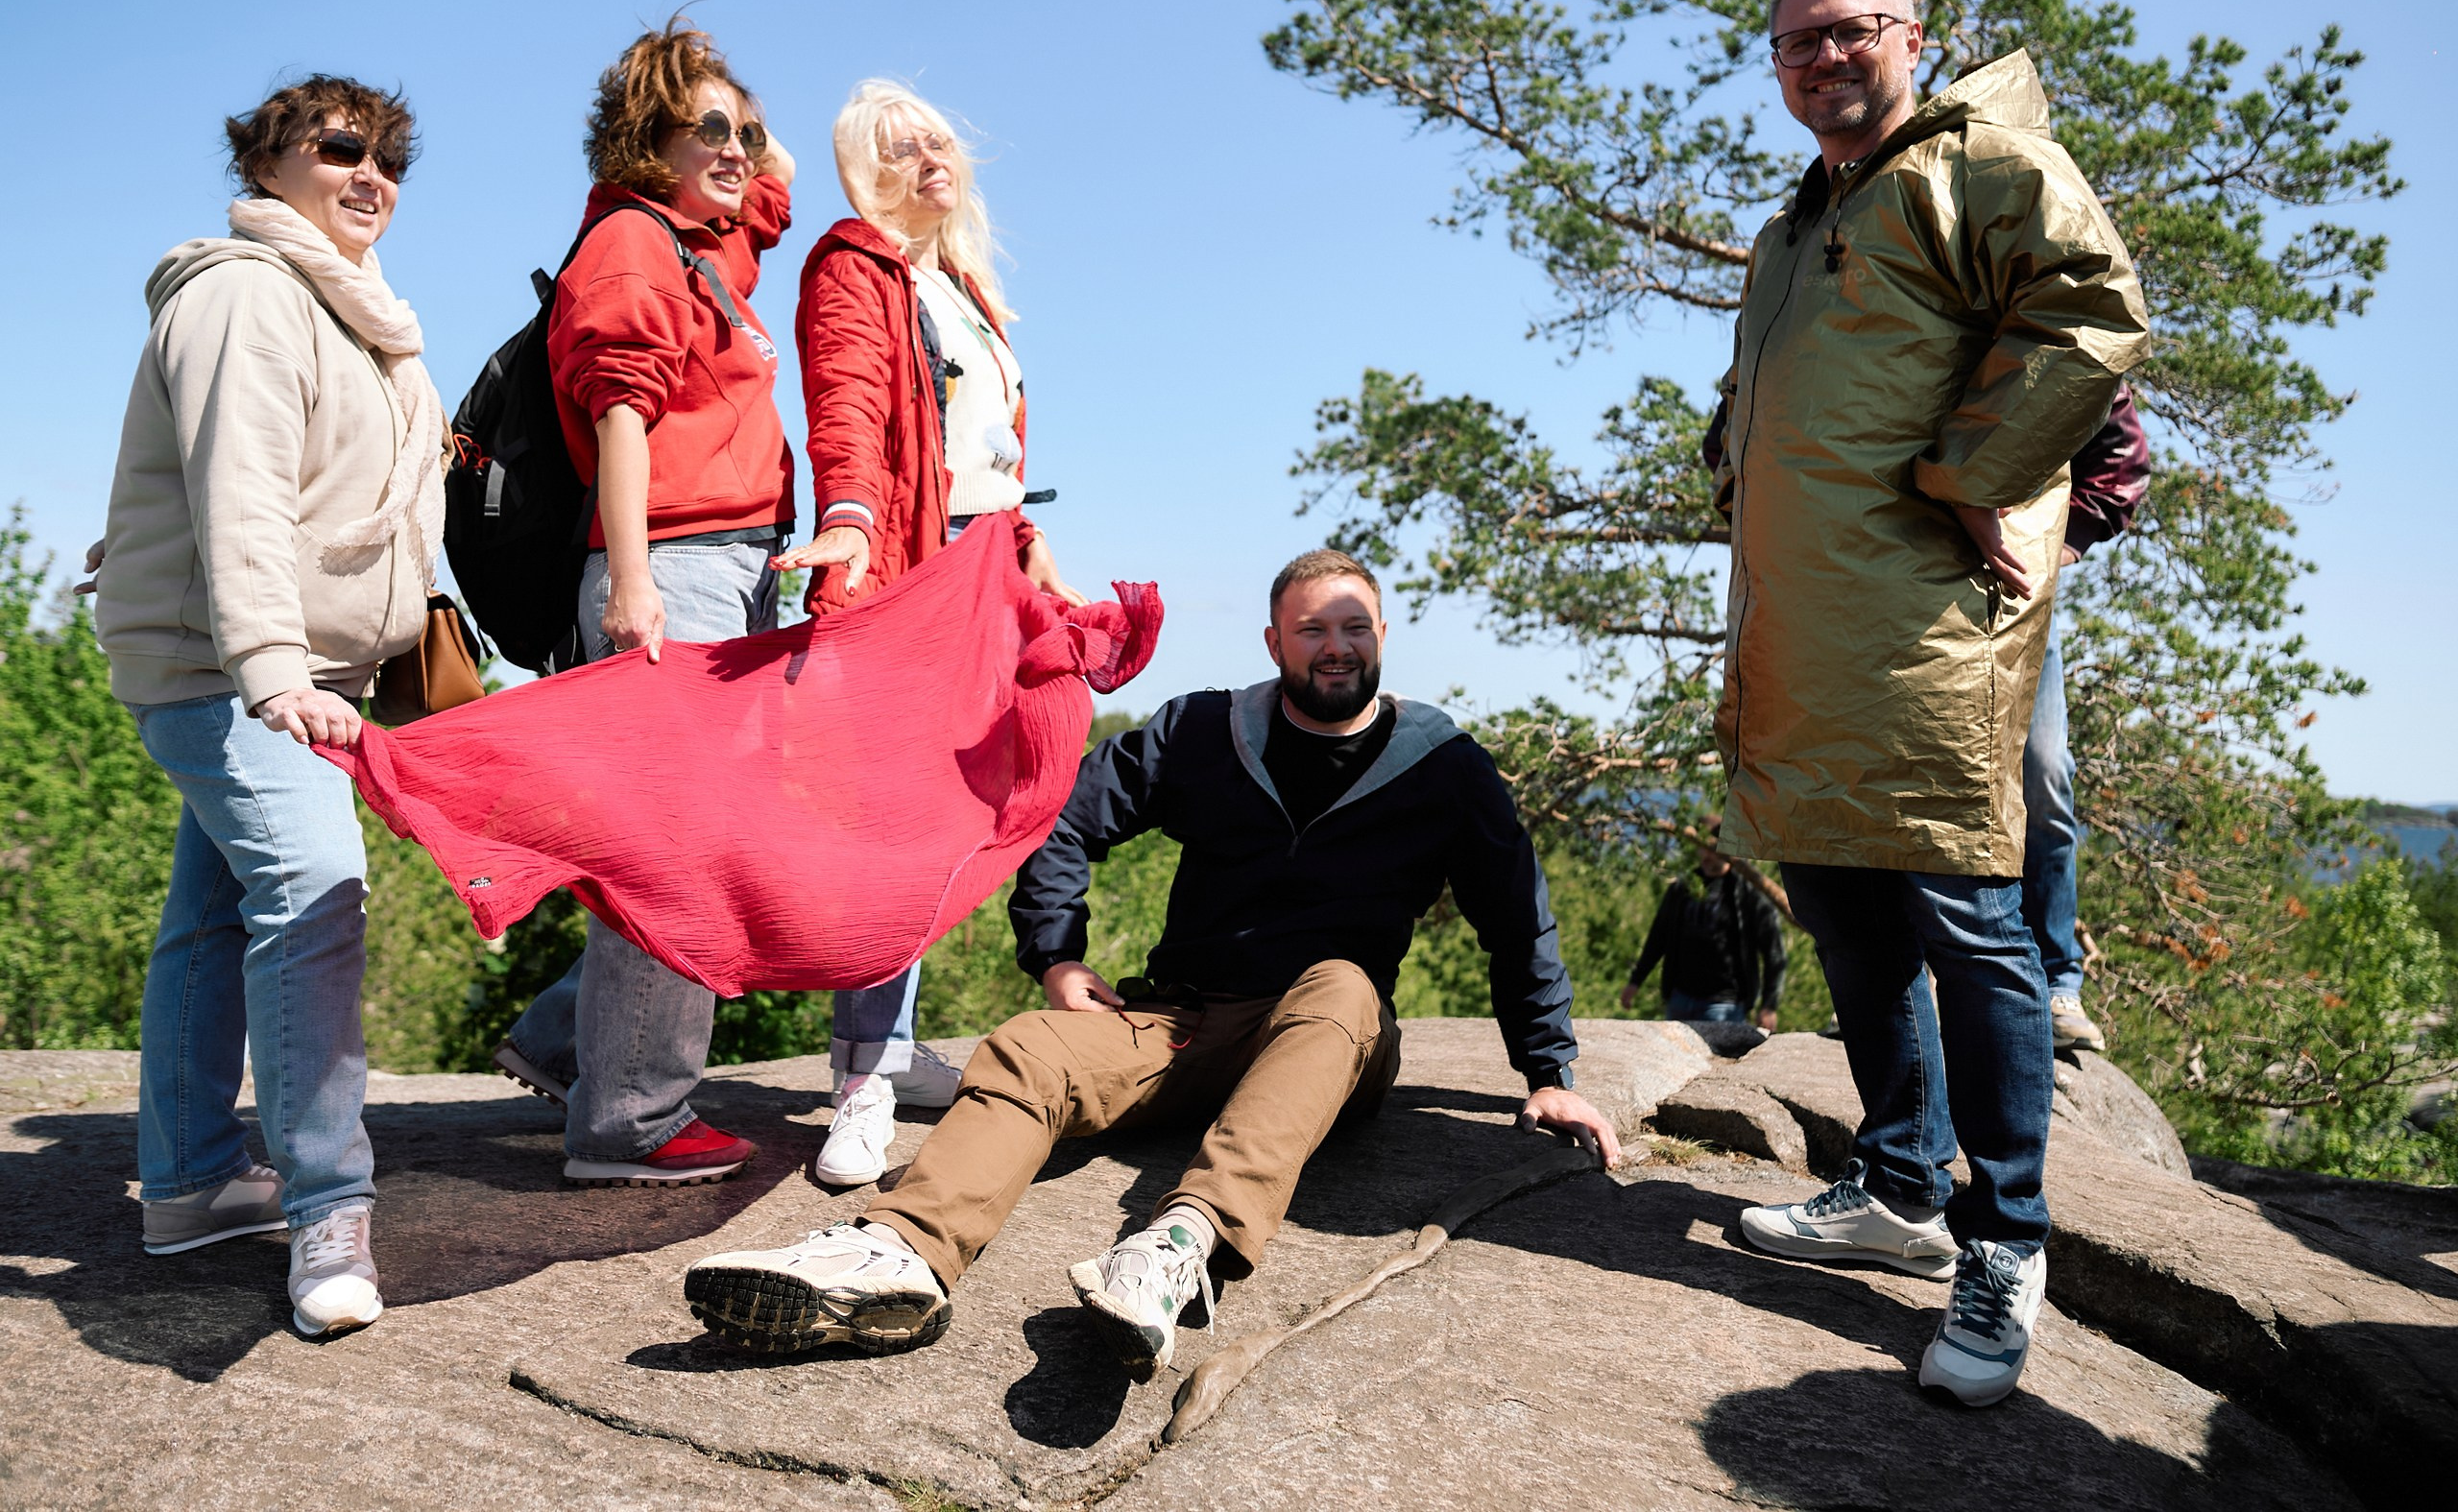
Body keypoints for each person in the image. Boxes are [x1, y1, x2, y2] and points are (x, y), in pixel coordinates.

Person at [681, 549, 1621, 1377]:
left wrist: (1549, 1073)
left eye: (1353, 627)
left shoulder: (1440, 762)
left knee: (1342, 984)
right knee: (1025, 1048)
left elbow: (1516, 913)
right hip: (1180, 1023)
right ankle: (898, 1256)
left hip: (1324, 1037)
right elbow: (1062, 820)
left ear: (1381, 634)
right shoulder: (1206, 732)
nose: (1334, 646)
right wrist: (1056, 958)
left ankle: (1180, 1247)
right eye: (1311, 630)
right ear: (1272, 642)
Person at [1712, 0, 2149, 1407]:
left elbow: (2091, 311)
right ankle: (1900, 1177)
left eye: (1844, 34)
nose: (1818, 61)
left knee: (1966, 907)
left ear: (1913, 35)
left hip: (1927, 618)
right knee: (1835, 887)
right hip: (1801, 613)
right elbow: (1761, 396)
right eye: (1791, 47)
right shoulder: (1798, 218)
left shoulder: (1987, 166)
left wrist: (1981, 471)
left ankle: (2004, 1234)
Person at [93, 75, 441, 1336]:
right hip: (232, 669)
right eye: (341, 146)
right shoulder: (246, 293)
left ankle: (188, 1181)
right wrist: (277, 671)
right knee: (317, 889)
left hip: (293, 668)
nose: (373, 173)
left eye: (392, 156)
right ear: (266, 162)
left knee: (213, 915)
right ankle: (327, 1206)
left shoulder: (360, 321)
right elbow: (237, 491)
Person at [489, 17, 798, 1188]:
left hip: (733, 568)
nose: (738, 150)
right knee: (679, 852)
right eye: (707, 127)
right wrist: (630, 588)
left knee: (694, 840)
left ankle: (570, 1041)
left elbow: (766, 197)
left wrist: (740, 143)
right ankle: (630, 1122)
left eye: (748, 129)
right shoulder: (631, 243)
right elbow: (622, 415)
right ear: (642, 141)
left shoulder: (705, 246)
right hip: (673, 565)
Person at [767, 80, 1083, 1188]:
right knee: (889, 828)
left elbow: (980, 447)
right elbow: (846, 407)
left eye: (938, 139)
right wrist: (847, 519)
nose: (928, 158)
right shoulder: (856, 263)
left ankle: (880, 1050)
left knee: (952, 819)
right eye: (898, 148)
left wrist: (1026, 536)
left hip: (984, 565)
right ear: (863, 168)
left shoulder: (962, 288)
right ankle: (862, 1079)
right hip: (908, 563)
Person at [2027, 384, 2149, 1054]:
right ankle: (1905, 984)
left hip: (2014, 590)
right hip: (1895, 585)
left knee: (2044, 772)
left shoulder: (2041, 294)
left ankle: (2055, 979)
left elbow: (2120, 453)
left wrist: (2059, 544)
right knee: (1900, 779)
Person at [1620, 821, 1788, 1029]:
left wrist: (1769, 1005)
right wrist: (1635, 982)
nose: (1706, 856)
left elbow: (1774, 954)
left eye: (1712, 850)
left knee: (1719, 1060)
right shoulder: (1683, 887)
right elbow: (1658, 937)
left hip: (1724, 1005)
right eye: (1702, 848)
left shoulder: (1749, 893)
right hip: (1680, 998)